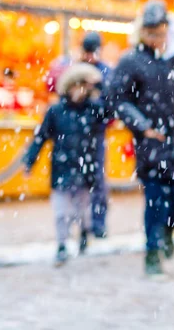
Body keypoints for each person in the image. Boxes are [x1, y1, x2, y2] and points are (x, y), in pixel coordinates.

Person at [109, 0, 174, 276]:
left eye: (159, 32)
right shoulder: (132, 60)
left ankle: (166, 233)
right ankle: (152, 253)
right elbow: (119, 99)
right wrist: (143, 126)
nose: (155, 38)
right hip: (151, 143)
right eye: (149, 32)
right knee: (154, 200)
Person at [23, 64, 111, 266]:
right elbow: (41, 136)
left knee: (81, 211)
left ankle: (83, 234)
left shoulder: (93, 109)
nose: (81, 90)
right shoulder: (55, 111)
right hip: (62, 168)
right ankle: (62, 245)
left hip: (84, 168)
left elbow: (110, 109)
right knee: (61, 212)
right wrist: (29, 160)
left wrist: (101, 85)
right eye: (79, 85)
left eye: (85, 86)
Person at [80, 31, 113, 239]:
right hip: (77, 135)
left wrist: (97, 97)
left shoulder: (105, 73)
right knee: (81, 182)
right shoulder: (77, 70)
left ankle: (98, 223)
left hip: (96, 133)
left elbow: (110, 105)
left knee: (97, 181)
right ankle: (83, 224)